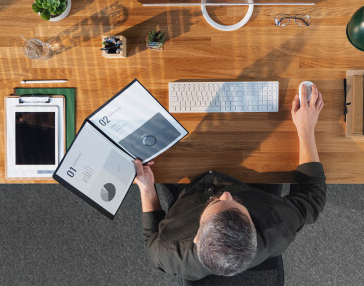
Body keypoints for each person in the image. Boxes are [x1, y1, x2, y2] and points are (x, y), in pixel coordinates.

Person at [135, 84, 326, 281]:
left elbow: (151, 238)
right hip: (249, 184)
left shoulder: (169, 254)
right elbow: (313, 198)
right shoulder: (275, 227)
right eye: (236, 204)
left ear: (197, 237)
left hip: (190, 190)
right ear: (254, 232)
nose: (226, 194)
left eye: (217, 203)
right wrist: (306, 129)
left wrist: (147, 188)